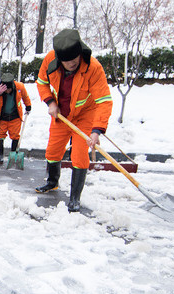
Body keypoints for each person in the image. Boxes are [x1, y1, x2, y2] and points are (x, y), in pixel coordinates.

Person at [35, 29, 113, 212]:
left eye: (75, 59)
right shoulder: (50, 60)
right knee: (53, 151)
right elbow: (41, 82)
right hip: (61, 114)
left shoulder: (93, 68)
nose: (72, 63)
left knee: (79, 155)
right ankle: (52, 182)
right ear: (59, 58)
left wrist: (96, 130)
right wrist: (51, 102)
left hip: (85, 115)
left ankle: (75, 197)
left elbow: (104, 101)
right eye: (67, 60)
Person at [0, 73, 32, 165]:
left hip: (15, 117)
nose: (7, 91)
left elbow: (25, 97)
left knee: (15, 136)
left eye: (9, 89)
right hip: (2, 118)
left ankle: (13, 156)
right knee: (0, 135)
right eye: (5, 90)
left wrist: (28, 106)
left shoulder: (19, 87)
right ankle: (0, 156)